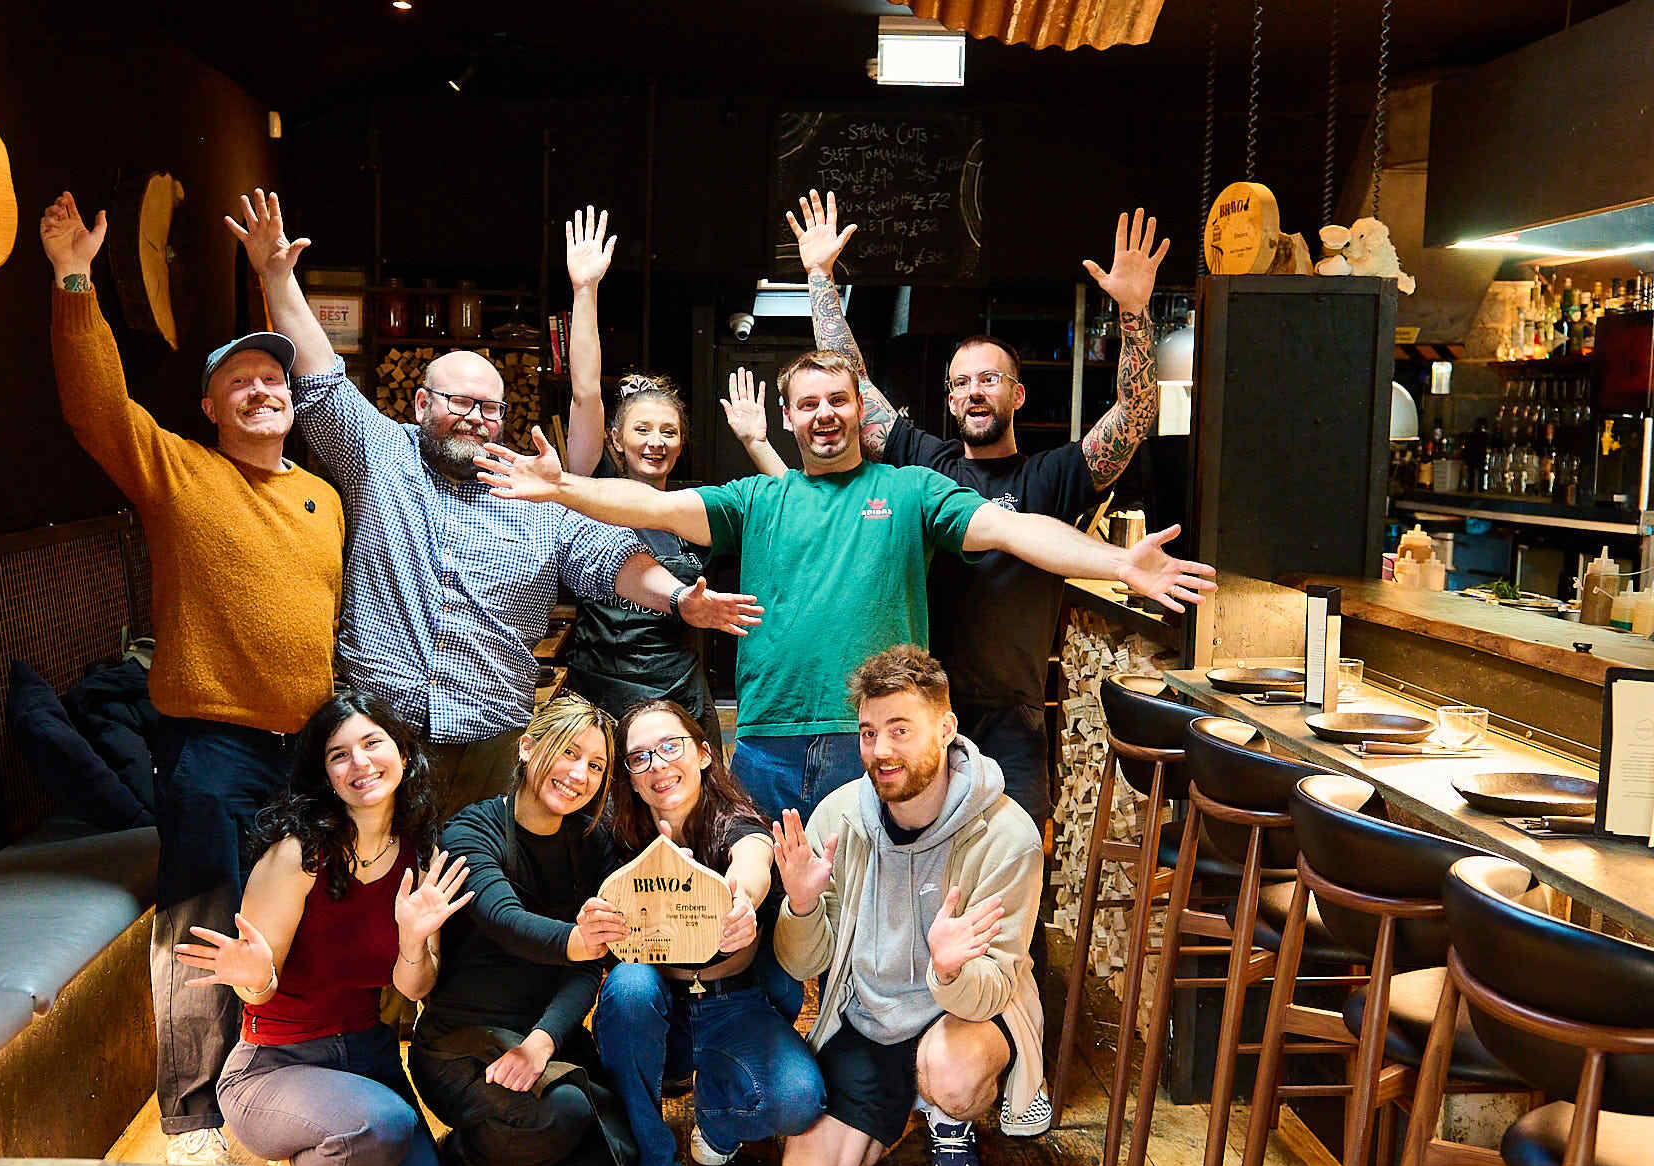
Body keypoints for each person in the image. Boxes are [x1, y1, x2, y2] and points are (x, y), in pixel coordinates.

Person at [474, 351, 1214, 830]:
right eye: (809, 403)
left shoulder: (913, 488)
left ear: (861, 410)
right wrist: (563, 488)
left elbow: (1014, 530)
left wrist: (1115, 564)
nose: (825, 413)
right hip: (767, 740)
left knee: (872, 917)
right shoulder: (757, 499)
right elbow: (656, 507)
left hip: (877, 740)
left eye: (839, 399)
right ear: (788, 417)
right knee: (767, 908)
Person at [230, 191, 759, 816]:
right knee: (382, 886)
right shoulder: (375, 453)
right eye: (460, 403)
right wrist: (277, 276)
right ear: (422, 404)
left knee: (481, 890)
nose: (476, 420)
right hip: (384, 739)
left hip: (495, 739)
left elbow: (610, 556)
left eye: (490, 409)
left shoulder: (528, 489)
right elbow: (320, 373)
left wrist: (679, 599)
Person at [41, 191, 346, 1165]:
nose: (265, 390)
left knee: (294, 909)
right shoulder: (178, 473)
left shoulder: (323, 497)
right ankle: (186, 1114)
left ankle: (276, 1067)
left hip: (306, 740)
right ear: (210, 405)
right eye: (242, 381)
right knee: (199, 916)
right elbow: (95, 410)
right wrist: (76, 282)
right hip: (211, 740)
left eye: (276, 379)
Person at [737, 190, 1170, 835]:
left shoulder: (1052, 475)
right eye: (962, 382)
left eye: (989, 379)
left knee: (1013, 867)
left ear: (1017, 393)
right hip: (918, 712)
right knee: (916, 869)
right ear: (948, 398)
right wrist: (821, 279)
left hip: (1011, 713)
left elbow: (1133, 422)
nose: (975, 391)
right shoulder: (922, 464)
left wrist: (1134, 315)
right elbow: (849, 385)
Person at [176, 694, 469, 1166]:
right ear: (323, 774)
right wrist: (253, 978)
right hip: (274, 1063)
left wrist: (411, 941)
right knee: (383, 1126)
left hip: (367, 1057)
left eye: (373, 744)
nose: (360, 764)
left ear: (403, 753)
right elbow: (258, 986)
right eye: (339, 755)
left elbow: (415, 988)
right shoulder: (299, 854)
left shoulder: (419, 850)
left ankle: (348, 1157)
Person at [771, 645, 1045, 1166]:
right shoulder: (839, 818)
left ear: (945, 728)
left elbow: (996, 985)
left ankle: (948, 1118)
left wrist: (947, 969)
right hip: (871, 1015)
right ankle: (901, 1105)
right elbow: (802, 967)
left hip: (964, 1015)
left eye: (901, 729)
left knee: (951, 1073)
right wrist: (799, 907)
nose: (881, 750)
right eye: (870, 733)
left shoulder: (1009, 837)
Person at [407, 692, 641, 1166]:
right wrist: (577, 941)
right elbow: (502, 918)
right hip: (459, 1044)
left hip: (545, 1042)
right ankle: (467, 1154)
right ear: (529, 746)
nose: (579, 774)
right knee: (566, 1109)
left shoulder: (595, 845)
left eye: (596, 765)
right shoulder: (471, 829)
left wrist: (541, 1041)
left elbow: (588, 969)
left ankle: (486, 1156)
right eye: (568, 753)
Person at [585, 700, 826, 1166]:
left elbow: (753, 862)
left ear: (703, 754)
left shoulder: (736, 821)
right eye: (639, 757)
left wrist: (739, 902)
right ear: (628, 775)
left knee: (799, 1101)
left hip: (731, 1001)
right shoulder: (618, 834)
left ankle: (716, 1119)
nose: (657, 765)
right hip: (653, 1005)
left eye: (670, 747)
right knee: (626, 987)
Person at [555, 208, 718, 743]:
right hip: (594, 698)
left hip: (677, 697)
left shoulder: (696, 511)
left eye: (668, 432)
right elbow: (584, 391)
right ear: (615, 441)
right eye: (642, 430)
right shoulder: (591, 486)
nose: (656, 442)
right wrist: (585, 291)